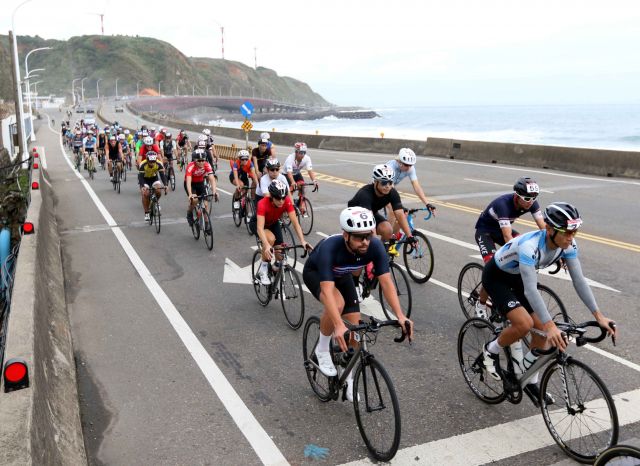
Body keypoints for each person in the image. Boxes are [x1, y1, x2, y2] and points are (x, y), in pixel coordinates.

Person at [481, 202, 617, 404]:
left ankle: (529, 379)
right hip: (497, 277)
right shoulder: (529, 247)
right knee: (525, 324)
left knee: (542, 332)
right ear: (549, 229)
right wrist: (551, 325)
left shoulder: (568, 245)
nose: (571, 238)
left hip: (518, 277)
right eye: (566, 232)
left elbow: (579, 280)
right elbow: (530, 290)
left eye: (574, 232)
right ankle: (490, 350)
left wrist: (599, 316)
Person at [302, 208, 414, 401]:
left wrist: (400, 315)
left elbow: (386, 282)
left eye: (368, 236)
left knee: (356, 329)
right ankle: (322, 348)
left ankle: (348, 377)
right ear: (346, 235)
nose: (365, 242)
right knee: (336, 304)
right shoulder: (331, 248)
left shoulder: (374, 246)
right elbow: (328, 291)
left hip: (343, 274)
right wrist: (337, 325)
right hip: (317, 273)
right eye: (359, 237)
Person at [473, 177, 547, 319]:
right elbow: (508, 238)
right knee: (492, 269)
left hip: (502, 229)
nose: (530, 202)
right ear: (517, 196)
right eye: (526, 198)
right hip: (485, 231)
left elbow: (543, 228)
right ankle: (481, 303)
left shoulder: (531, 202)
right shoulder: (503, 205)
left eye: (533, 198)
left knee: (525, 243)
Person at [253, 179, 310, 285]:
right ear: (271, 197)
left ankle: (274, 270)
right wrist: (266, 245)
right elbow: (260, 228)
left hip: (273, 223)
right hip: (259, 224)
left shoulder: (286, 201)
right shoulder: (262, 203)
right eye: (278, 198)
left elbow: (295, 223)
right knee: (270, 240)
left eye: (283, 198)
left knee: (280, 254)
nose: (281, 201)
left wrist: (303, 241)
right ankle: (262, 271)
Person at [347, 164, 416, 243]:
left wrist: (410, 236)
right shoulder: (365, 194)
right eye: (384, 182)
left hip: (371, 213)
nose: (387, 186)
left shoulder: (392, 192)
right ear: (375, 182)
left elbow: (400, 214)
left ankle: (383, 249)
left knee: (388, 230)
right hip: (355, 215)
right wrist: (375, 243)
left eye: (390, 182)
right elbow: (369, 221)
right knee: (369, 239)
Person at [384, 148, 436, 230]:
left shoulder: (410, 169)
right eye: (406, 165)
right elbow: (391, 189)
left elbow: (416, 186)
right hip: (382, 189)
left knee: (403, 215)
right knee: (394, 211)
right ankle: (387, 237)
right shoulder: (391, 167)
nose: (409, 167)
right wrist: (399, 206)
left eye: (410, 165)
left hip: (391, 188)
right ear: (400, 162)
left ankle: (394, 237)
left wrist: (427, 203)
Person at [185, 149, 218, 226]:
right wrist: (190, 194)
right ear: (194, 160)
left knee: (206, 205)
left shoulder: (206, 165)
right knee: (195, 200)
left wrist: (214, 191)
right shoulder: (190, 166)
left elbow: (212, 179)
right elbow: (188, 181)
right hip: (191, 184)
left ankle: (206, 223)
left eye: (203, 160)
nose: (201, 162)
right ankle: (189, 213)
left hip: (200, 183)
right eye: (199, 161)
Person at [283, 142, 318, 209]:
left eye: (304, 152)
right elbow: (289, 173)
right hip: (286, 174)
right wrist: (293, 182)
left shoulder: (307, 158)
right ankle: (288, 206)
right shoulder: (290, 158)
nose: (303, 155)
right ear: (296, 152)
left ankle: (300, 204)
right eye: (301, 152)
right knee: (290, 190)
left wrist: (314, 180)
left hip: (296, 174)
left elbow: (310, 170)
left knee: (302, 186)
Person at [137, 152, 167, 222]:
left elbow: (162, 175)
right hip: (144, 180)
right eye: (150, 162)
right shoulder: (143, 164)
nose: (152, 163)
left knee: (159, 190)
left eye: (153, 162)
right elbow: (140, 177)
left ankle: (156, 202)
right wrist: (142, 186)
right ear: (147, 160)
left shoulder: (159, 163)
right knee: (146, 194)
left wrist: (165, 185)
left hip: (154, 178)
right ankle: (146, 213)